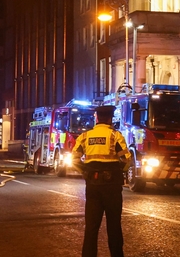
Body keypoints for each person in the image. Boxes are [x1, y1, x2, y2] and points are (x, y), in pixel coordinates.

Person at [72, 105, 132, 257]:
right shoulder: (115, 136)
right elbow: (126, 160)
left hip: (92, 186)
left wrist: (85, 172)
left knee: (91, 227)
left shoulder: (85, 137)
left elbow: (74, 159)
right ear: (110, 119)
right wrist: (120, 172)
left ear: (97, 118)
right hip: (112, 187)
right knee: (114, 226)